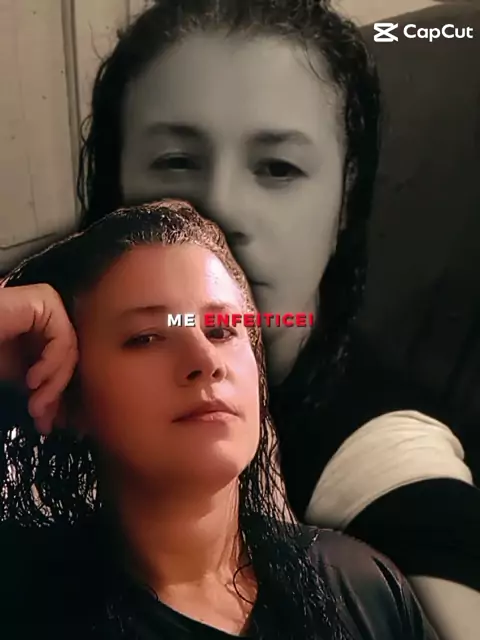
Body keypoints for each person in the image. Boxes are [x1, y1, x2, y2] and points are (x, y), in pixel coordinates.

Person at [0, 0, 479, 636]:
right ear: (113, 184)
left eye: (278, 168)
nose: (220, 206)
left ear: (345, 194)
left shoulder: (379, 470)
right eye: (176, 162)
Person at [0, 199, 438, 639]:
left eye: (222, 330)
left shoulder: (360, 589)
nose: (206, 361)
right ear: (67, 395)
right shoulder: (23, 608)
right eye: (148, 337)